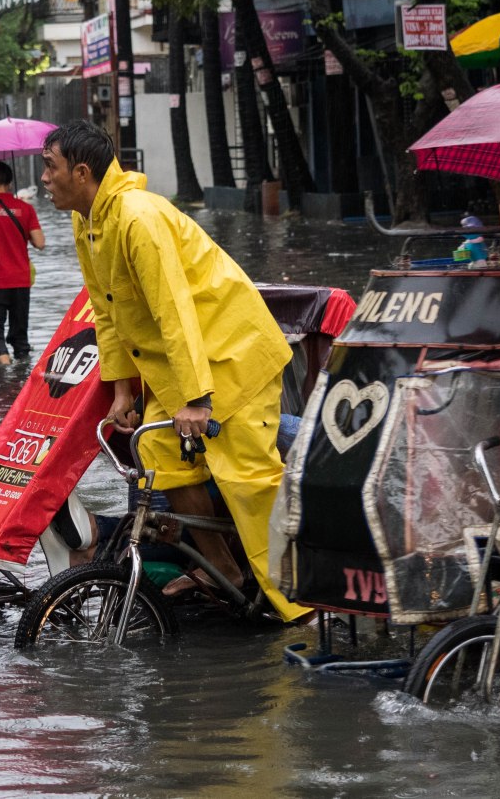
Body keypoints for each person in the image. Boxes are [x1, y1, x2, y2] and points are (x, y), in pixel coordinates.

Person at [40, 119, 306, 622]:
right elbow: (106, 313)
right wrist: (122, 392)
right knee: (161, 456)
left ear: (81, 172)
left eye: (50, 167)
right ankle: (222, 570)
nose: (44, 179)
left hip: (230, 356)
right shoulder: (88, 222)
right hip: (178, 369)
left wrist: (197, 400)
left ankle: (300, 607)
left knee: (249, 482)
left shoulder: (138, 219)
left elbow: (174, 311)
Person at [0, 160, 45, 364]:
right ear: (10, 183)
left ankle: (4, 367)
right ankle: (23, 377)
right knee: (20, 339)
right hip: (21, 282)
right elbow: (40, 243)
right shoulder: (25, 209)